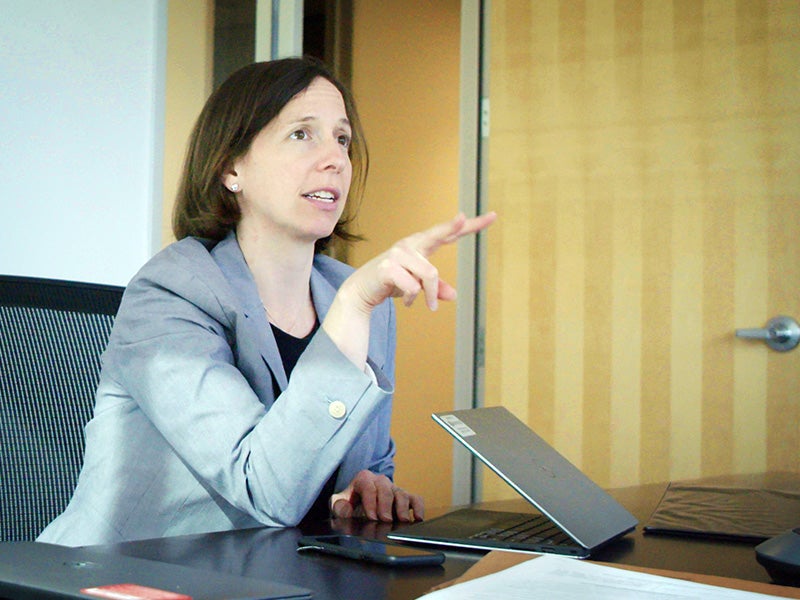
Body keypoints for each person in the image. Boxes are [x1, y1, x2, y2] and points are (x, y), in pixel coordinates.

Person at [38, 56, 496, 547]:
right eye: (302, 134)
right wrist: (353, 306)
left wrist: (366, 488)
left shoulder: (359, 301)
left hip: (276, 575)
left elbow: (364, 464)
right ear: (232, 167)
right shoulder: (168, 294)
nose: (335, 158)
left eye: (341, 138)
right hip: (122, 579)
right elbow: (263, 490)